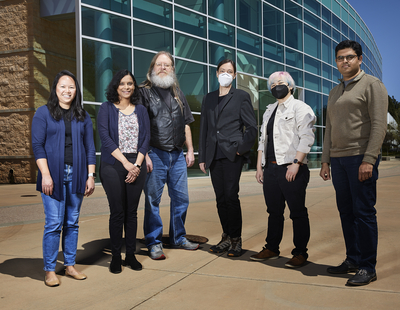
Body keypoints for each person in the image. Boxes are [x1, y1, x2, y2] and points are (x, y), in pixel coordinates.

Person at [319, 40, 388, 286]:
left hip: (360, 157)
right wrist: (325, 160)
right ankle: (353, 259)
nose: (344, 61)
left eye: (349, 57)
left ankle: (368, 267)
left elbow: (379, 125)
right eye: (340, 58)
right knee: (346, 212)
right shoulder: (334, 91)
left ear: (359, 59)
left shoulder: (372, 85)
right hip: (337, 161)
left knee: (364, 213)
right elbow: (329, 129)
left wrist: (369, 159)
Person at [32, 70, 96, 287]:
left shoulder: (83, 115)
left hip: (77, 175)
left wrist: (90, 175)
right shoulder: (43, 113)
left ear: (75, 90)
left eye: (71, 87)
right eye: (63, 86)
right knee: (53, 223)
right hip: (53, 176)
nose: (67, 90)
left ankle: (69, 266)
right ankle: (50, 270)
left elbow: (90, 148)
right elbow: (37, 146)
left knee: (72, 223)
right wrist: (46, 175)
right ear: (55, 89)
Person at [251, 71, 316, 268]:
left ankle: (300, 253)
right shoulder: (269, 110)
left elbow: (307, 137)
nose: (276, 86)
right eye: (273, 84)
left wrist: (296, 163)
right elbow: (263, 140)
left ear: (290, 86)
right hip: (270, 169)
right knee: (274, 212)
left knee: (297, 212)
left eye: (280, 82)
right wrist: (259, 166)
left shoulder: (300, 108)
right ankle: (271, 248)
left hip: (291, 167)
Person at [139, 51, 199, 260]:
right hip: (154, 153)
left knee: (181, 199)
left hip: (177, 155)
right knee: (153, 201)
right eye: (159, 64)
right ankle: (154, 242)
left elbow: (186, 125)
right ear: (152, 68)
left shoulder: (178, 94)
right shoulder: (143, 93)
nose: (163, 68)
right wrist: (144, 154)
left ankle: (178, 237)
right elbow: (139, 126)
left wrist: (190, 150)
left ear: (172, 69)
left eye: (167, 65)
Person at [198, 59, 257, 257]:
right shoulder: (209, 98)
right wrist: (202, 156)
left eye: (229, 71)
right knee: (220, 198)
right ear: (216, 74)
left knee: (231, 196)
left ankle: (236, 239)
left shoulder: (241, 96)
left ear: (234, 75)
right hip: (214, 154)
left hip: (232, 154)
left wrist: (241, 149)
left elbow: (251, 128)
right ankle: (226, 237)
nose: (225, 73)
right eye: (222, 70)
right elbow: (204, 128)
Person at [98, 69, 150, 273]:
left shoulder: (142, 110)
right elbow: (105, 137)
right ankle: (116, 258)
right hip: (113, 164)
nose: (126, 87)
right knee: (117, 212)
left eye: (130, 83)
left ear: (134, 87)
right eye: (122, 84)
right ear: (115, 87)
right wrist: (126, 164)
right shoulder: (106, 108)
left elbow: (146, 139)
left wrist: (137, 165)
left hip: (136, 163)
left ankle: (130, 255)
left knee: (132, 213)